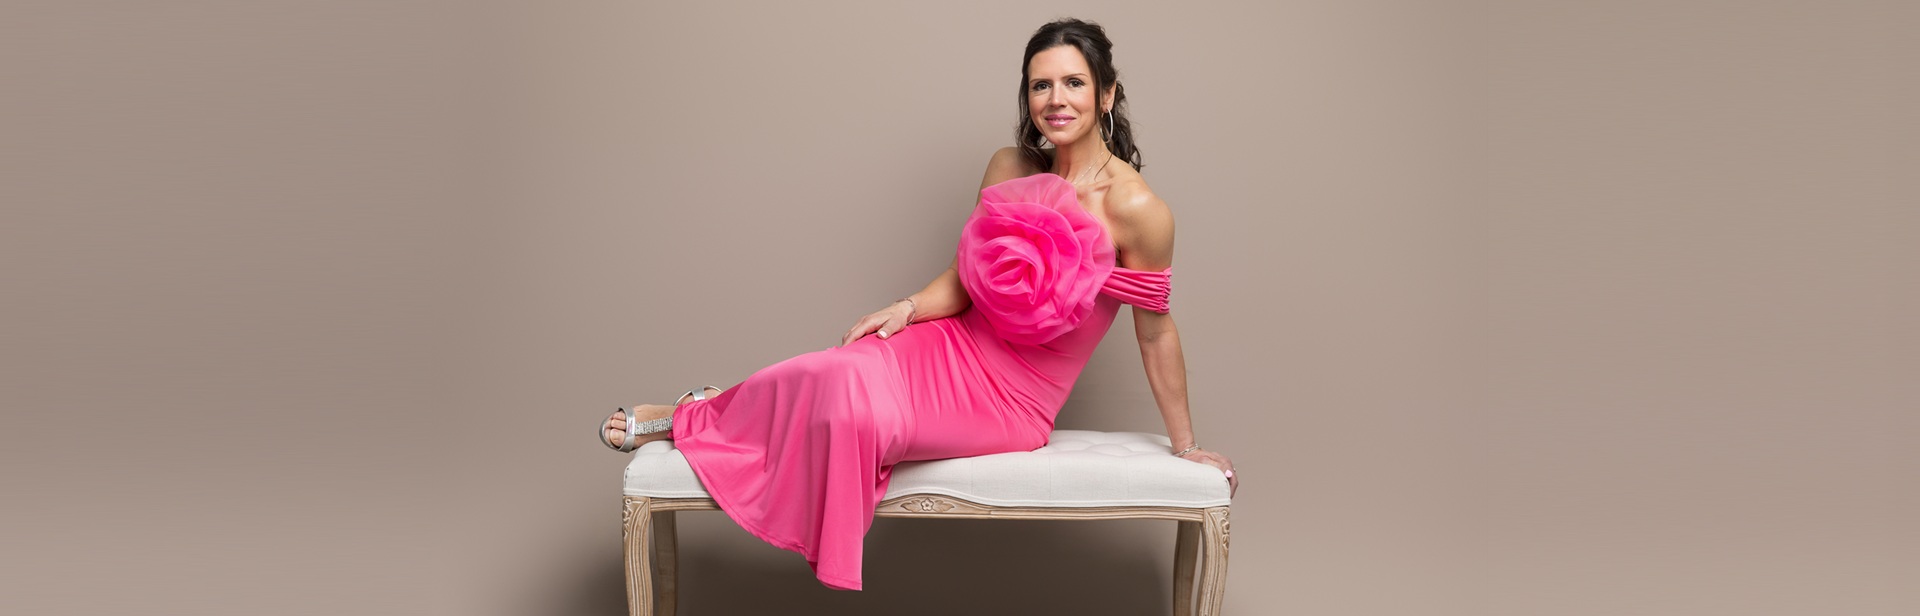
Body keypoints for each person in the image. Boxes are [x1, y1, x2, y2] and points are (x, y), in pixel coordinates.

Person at [596, 18, 1237, 591]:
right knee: (834, 369)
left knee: (853, 414)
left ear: (1106, 94)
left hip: (1013, 400)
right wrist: (908, 308)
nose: (1056, 100)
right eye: (1040, 86)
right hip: (950, 345)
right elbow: (969, 272)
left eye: (1073, 83)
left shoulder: (1136, 209)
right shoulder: (1009, 166)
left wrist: (1185, 445)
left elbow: (1155, 333)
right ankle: (690, 414)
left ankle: (697, 417)